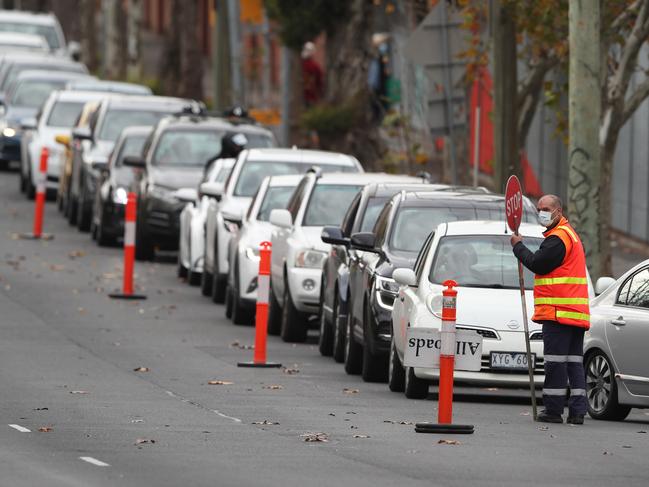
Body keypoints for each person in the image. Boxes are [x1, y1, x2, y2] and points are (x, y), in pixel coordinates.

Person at [510, 194, 590, 424]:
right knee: (574, 363)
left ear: (558, 211)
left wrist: (518, 247)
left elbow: (538, 263)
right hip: (573, 314)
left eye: (546, 208)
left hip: (559, 313)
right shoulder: (570, 235)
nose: (541, 212)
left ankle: (553, 410)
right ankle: (577, 411)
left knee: (555, 363)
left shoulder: (558, 238)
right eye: (538, 208)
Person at [301, 41, 323, 106]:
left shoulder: (301, 65)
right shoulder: (314, 66)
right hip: (309, 96)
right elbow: (319, 81)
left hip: (306, 95)